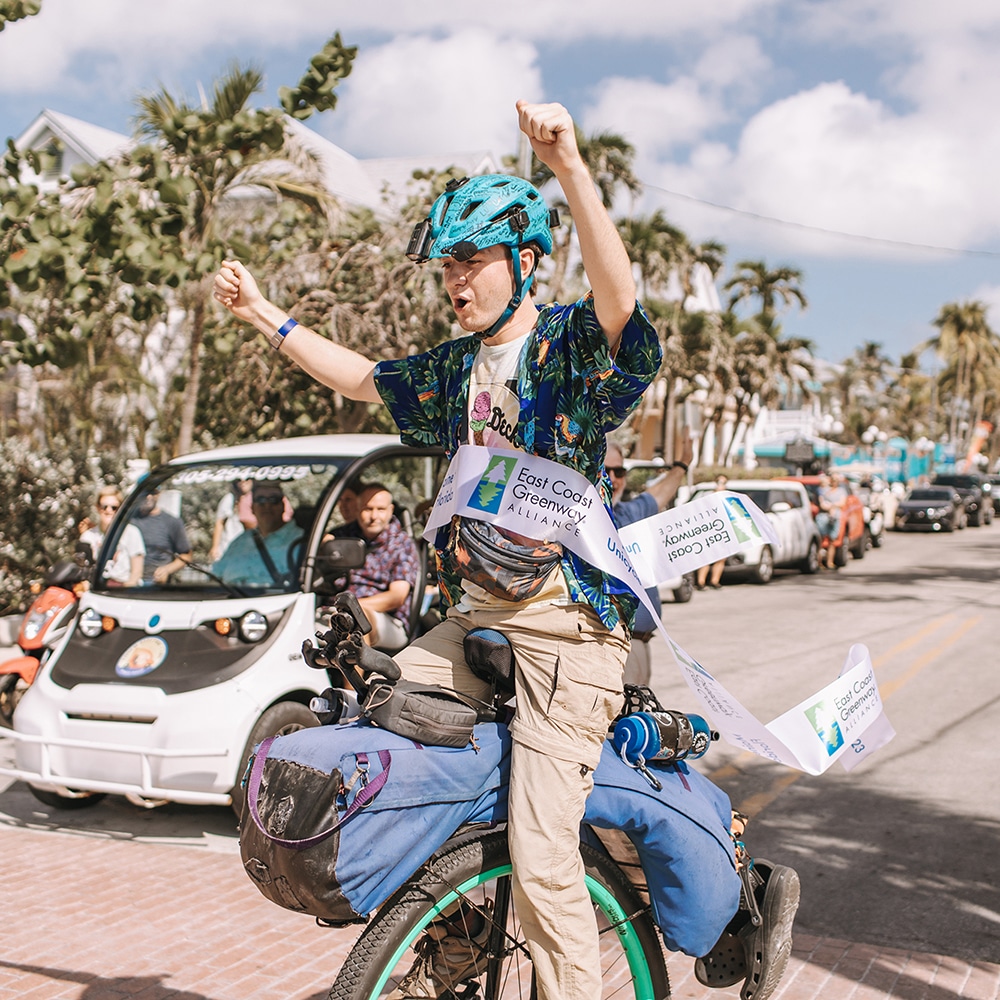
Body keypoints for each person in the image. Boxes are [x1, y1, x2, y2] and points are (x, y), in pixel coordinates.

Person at [214, 100, 797, 1000]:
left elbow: (620, 304)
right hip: (473, 621)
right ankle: (459, 937)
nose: (455, 280)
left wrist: (567, 165)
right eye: (447, 265)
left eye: (472, 260)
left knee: (543, 855)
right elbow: (364, 380)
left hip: (566, 632)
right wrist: (263, 315)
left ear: (526, 260)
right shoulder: (454, 369)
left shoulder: (566, 348)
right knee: (386, 742)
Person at [607, 438, 694, 687]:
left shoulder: (627, 513)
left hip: (641, 644)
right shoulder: (583, 521)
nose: (612, 479)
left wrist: (682, 464)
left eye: (619, 471)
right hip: (613, 644)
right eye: (605, 470)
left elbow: (658, 493)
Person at [331, 483, 420, 652]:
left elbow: (396, 597)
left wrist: (353, 607)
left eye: (380, 509)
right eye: (367, 509)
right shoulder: (342, 537)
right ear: (357, 509)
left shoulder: (402, 544)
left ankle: (355, 670)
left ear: (390, 510)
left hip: (387, 619)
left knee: (355, 620)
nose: (374, 516)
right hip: (336, 612)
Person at [212, 483, 303, 587]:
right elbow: (216, 575)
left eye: (274, 500)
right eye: (260, 500)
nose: (267, 506)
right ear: (252, 508)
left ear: (283, 506)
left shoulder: (301, 541)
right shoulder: (239, 543)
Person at [79, 485, 145, 587]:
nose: (108, 510)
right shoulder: (88, 536)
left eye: (114, 508)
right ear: (97, 507)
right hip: (97, 588)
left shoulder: (131, 532)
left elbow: (136, 573)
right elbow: (83, 572)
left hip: (124, 587)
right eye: (104, 506)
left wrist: (123, 590)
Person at [133, 487, 192, 584]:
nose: (148, 496)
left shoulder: (171, 522)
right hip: (129, 582)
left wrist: (167, 570)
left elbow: (186, 555)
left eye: (152, 492)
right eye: (145, 492)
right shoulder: (128, 520)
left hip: (155, 583)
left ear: (159, 494)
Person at [209, 479, 256, 562]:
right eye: (239, 480)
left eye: (247, 479)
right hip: (228, 546)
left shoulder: (256, 499)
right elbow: (219, 522)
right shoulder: (229, 499)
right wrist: (215, 547)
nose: (243, 482)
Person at [696, 475, 729, 590]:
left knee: (721, 557)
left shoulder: (727, 498)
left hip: (722, 531)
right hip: (708, 531)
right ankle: (701, 581)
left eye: (723, 482)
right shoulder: (708, 498)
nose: (720, 485)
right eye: (719, 482)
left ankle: (715, 581)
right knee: (706, 557)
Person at [816, 471, 847, 569]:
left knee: (832, 541)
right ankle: (818, 562)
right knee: (820, 540)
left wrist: (832, 506)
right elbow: (822, 503)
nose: (835, 481)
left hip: (835, 517)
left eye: (836, 479)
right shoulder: (824, 490)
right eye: (833, 479)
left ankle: (830, 562)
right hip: (823, 517)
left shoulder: (841, 491)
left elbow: (842, 503)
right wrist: (830, 507)